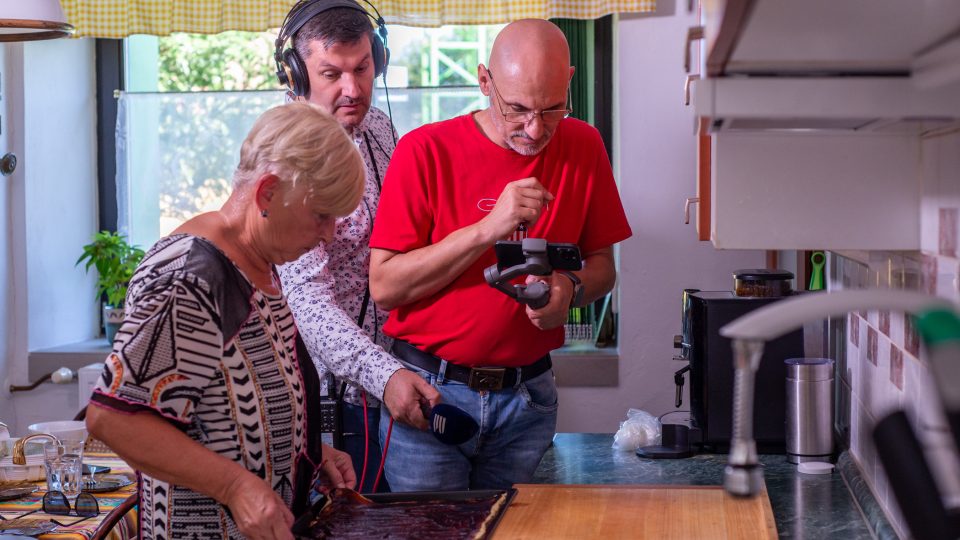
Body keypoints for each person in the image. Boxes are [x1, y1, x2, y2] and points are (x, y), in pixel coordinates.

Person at [368, 19, 633, 491]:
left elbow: (602, 268)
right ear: (484, 80)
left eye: (552, 109)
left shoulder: (585, 145)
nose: (535, 129)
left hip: (528, 400)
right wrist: (486, 229)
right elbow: (385, 287)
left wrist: (569, 290)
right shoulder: (423, 151)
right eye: (517, 109)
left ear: (570, 80)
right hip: (431, 396)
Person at [86, 102, 362, 540]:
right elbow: (115, 418)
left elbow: (223, 407)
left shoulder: (257, 264)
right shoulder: (191, 274)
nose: (328, 234)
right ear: (267, 193)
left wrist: (305, 450)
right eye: (321, 215)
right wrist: (234, 487)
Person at [274, 0, 440, 493]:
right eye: (331, 73)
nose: (353, 89)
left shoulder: (383, 131)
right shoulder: (285, 155)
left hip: (391, 387)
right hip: (329, 402)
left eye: (363, 68)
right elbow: (307, 300)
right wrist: (383, 374)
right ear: (296, 74)